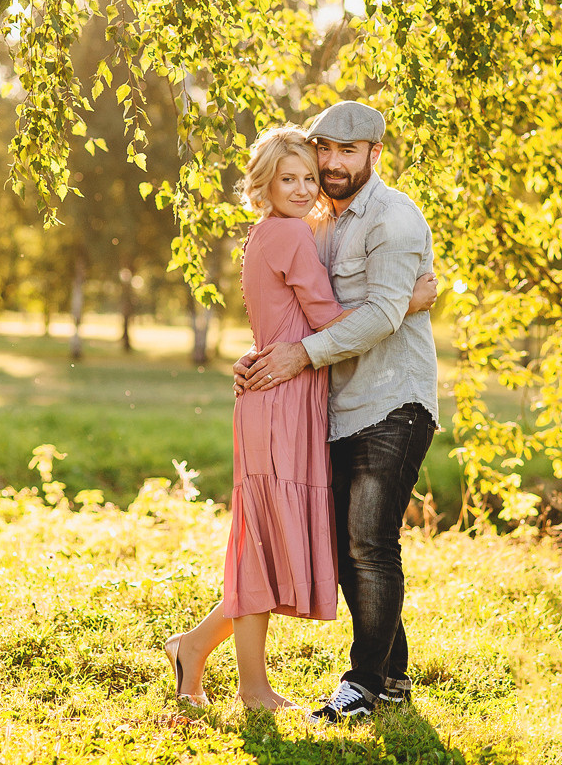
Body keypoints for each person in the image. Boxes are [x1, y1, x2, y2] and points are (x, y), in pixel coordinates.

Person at [237, 100, 439, 724]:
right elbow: (293, 297)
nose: (331, 162)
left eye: (347, 152)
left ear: (375, 154)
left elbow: (378, 315)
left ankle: (365, 682)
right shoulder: (319, 220)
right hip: (336, 404)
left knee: (369, 541)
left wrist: (299, 355)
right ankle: (394, 676)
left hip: (393, 399)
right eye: (324, 149)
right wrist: (264, 352)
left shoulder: (394, 219)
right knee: (350, 545)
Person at [164, 126, 348, 710]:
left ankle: (194, 648)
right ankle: (250, 687)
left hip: (277, 395)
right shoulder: (290, 234)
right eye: (286, 178)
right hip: (281, 398)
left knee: (263, 545)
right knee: (262, 547)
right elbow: (329, 317)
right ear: (264, 184)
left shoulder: (270, 233)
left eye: (307, 179)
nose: (299, 188)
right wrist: (406, 303)